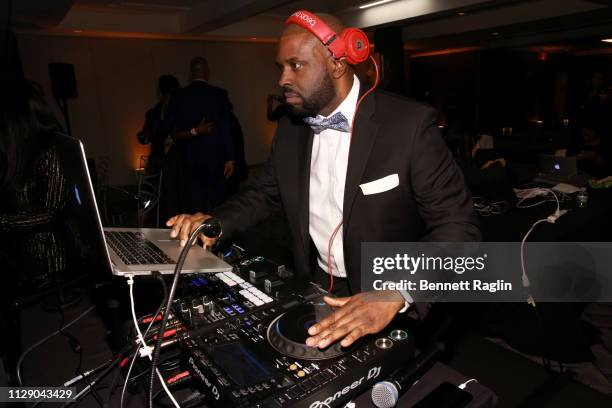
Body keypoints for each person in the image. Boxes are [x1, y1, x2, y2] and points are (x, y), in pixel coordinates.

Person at [167, 12, 479, 349]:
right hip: (317, 287)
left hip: (391, 300)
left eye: (296, 65)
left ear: (337, 65)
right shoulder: (289, 128)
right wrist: (213, 222)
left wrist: (397, 291)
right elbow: (263, 194)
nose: (283, 79)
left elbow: (459, 227)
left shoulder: (409, 125)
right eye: (280, 67)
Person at [163, 57, 234, 214]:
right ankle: (216, 235)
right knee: (217, 204)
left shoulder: (179, 96)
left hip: (189, 160)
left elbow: (167, 127)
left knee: (194, 205)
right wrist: (229, 158)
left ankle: (196, 235)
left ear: (190, 73)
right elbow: (225, 128)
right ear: (207, 72)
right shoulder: (219, 95)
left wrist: (189, 132)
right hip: (215, 158)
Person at [137, 74, 180, 222]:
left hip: (175, 163)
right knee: (159, 200)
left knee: (172, 199)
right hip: (159, 162)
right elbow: (147, 134)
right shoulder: (153, 112)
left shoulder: (179, 109)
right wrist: (146, 135)